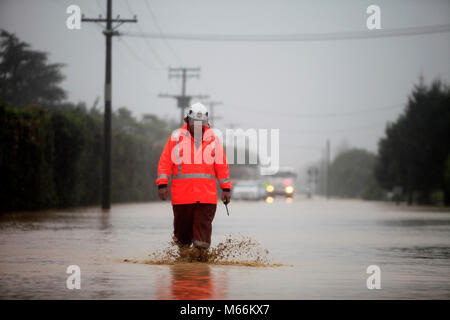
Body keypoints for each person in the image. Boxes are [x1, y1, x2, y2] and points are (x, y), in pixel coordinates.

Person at [156, 102, 231, 260]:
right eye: (194, 122)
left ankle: (200, 263)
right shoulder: (176, 138)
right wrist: (162, 184)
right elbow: (165, 162)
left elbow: (221, 165)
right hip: (182, 197)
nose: (197, 126)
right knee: (182, 237)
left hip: (206, 197)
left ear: (205, 123)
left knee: (202, 235)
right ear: (187, 120)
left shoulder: (213, 139)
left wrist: (226, 189)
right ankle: (184, 263)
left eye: (200, 123)